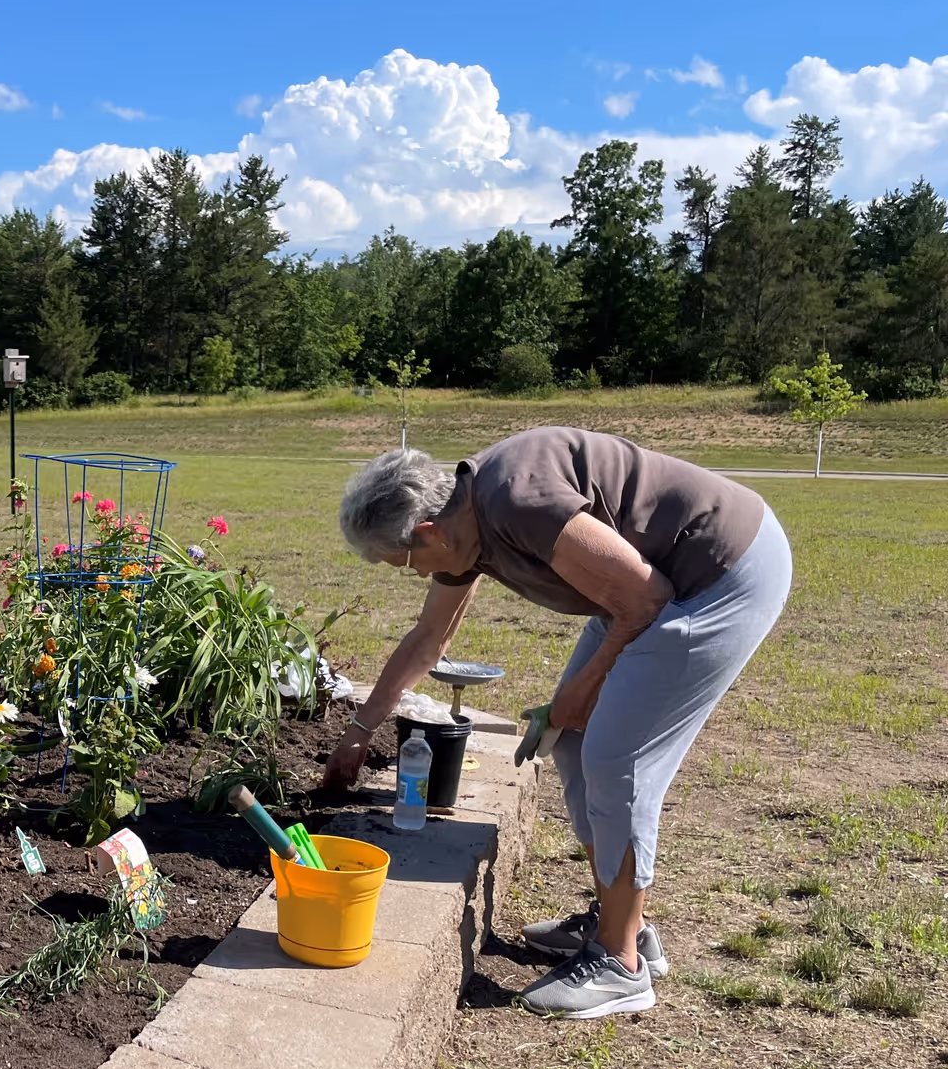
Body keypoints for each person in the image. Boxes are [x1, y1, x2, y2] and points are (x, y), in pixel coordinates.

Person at [323, 428, 792, 1019]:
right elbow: (428, 640)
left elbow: (646, 599)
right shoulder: (461, 528)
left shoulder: (519, 501)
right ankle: (625, 922)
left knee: (617, 760)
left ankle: (621, 965)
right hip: (639, 590)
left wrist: (578, 690)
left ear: (426, 531)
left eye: (405, 563)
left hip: (718, 576)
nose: (414, 575)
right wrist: (360, 730)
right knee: (570, 741)